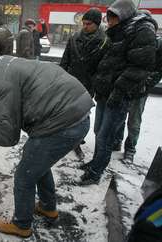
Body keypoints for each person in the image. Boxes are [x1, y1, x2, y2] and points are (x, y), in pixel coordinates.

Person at [0, 50, 93, 238]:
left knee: (24, 175)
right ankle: (47, 207)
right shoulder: (8, 63)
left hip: (64, 121)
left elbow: (7, 136)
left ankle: (22, 224)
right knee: (36, 161)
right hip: (77, 111)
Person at [80, 0, 156, 185]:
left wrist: (118, 91)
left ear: (123, 15)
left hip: (119, 95)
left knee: (106, 136)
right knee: (99, 131)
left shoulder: (141, 30)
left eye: (112, 18)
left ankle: (95, 172)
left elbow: (138, 68)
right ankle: (95, 163)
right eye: (109, 17)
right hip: (107, 92)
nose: (109, 22)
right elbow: (109, 59)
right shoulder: (119, 31)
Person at [60, 8, 108, 161]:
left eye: (88, 24)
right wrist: (60, 78)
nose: (85, 26)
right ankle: (67, 137)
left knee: (83, 114)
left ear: (97, 24)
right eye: (84, 23)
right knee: (67, 111)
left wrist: (95, 83)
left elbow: (104, 67)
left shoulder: (105, 41)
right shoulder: (74, 38)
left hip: (88, 86)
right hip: (71, 82)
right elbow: (65, 61)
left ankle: (77, 140)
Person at [112, 10, 160, 163]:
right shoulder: (130, 37)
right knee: (120, 116)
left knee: (134, 121)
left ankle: (130, 150)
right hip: (126, 85)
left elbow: (159, 70)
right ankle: (117, 142)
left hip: (140, 89)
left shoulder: (156, 43)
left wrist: (146, 84)